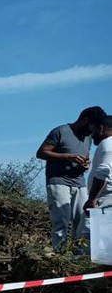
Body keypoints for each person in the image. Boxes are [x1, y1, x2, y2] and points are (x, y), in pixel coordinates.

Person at [36, 106, 105, 252]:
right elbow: (41, 153)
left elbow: (85, 156)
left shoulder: (88, 138)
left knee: (82, 220)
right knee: (61, 220)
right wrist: (68, 157)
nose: (92, 130)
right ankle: (60, 254)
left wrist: (84, 166)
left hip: (79, 182)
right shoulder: (61, 131)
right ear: (84, 120)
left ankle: (77, 255)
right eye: (92, 125)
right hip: (58, 182)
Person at [83, 115, 112, 212]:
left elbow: (103, 172)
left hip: (104, 201)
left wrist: (92, 199)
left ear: (100, 129)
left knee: (87, 227)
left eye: (93, 130)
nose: (91, 134)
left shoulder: (108, 143)